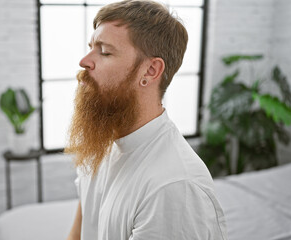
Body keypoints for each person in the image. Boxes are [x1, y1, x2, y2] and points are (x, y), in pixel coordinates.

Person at [64, 0, 228, 239]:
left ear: (150, 71)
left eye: (105, 51)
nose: (84, 61)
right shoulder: (101, 143)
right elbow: (81, 231)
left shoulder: (174, 187)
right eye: (90, 47)